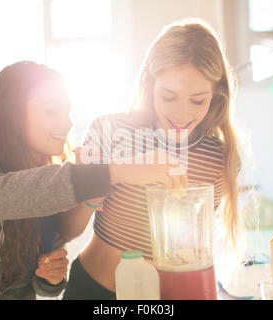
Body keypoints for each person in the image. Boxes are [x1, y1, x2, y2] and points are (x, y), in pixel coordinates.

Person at [0, 61, 186, 300]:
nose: (67, 123)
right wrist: (116, 170)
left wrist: (49, 277)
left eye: (67, 112)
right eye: (51, 111)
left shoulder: (43, 174)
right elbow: (6, 197)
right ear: (11, 114)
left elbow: (45, 265)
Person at [61, 19, 243, 300]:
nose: (182, 114)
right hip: (91, 292)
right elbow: (66, 230)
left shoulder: (215, 157)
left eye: (198, 100)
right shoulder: (109, 131)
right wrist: (116, 173)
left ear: (216, 96)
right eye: (169, 96)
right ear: (150, 82)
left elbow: (191, 256)